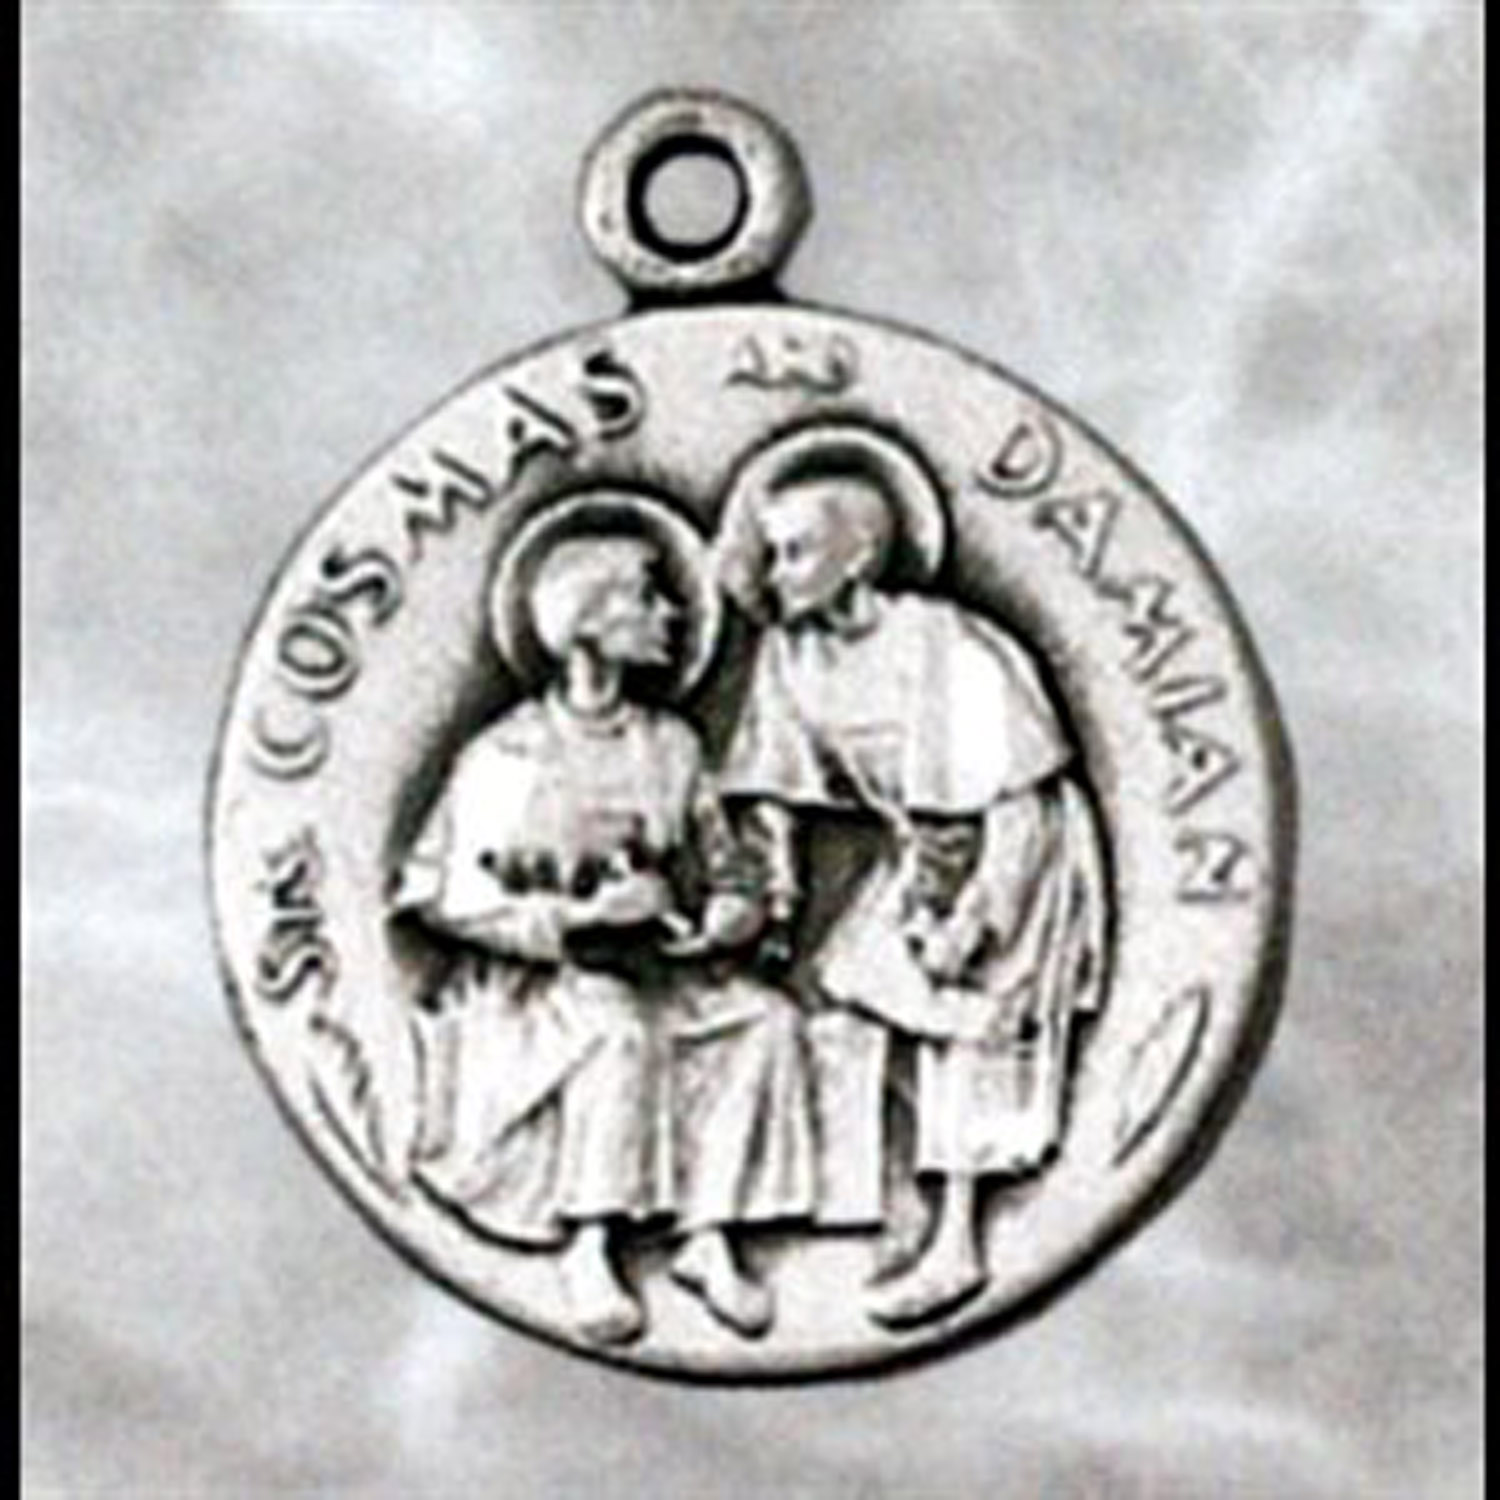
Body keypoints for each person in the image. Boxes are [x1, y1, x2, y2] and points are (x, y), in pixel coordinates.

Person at [392, 492, 814, 1346]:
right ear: (587, 622)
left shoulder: (671, 745)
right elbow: (450, 896)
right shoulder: (510, 753)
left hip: (656, 970)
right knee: (618, 1030)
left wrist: (729, 913)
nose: (671, 615)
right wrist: (580, 919)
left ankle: (708, 1235)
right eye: (648, 598)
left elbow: (727, 863)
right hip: (538, 989)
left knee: (766, 1021)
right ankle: (590, 1243)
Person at [713, 427, 1108, 1328]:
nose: (774, 572)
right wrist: (773, 898)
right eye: (770, 552)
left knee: (970, 1020)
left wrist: (975, 921)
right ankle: (868, 1214)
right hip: (923, 852)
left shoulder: (951, 647)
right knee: (850, 994)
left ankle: (960, 1242)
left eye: (796, 551)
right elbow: (775, 786)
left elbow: (1016, 802)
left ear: (857, 557)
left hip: (1016, 851)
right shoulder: (791, 654)